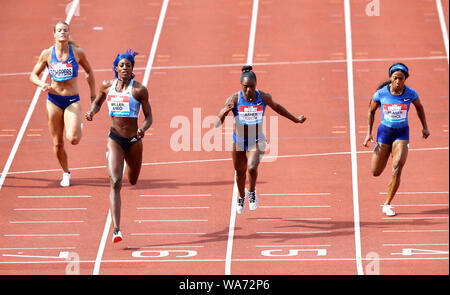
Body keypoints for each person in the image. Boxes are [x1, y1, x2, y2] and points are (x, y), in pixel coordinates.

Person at [216, 65, 306, 214]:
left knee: (251, 167)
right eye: (246, 87)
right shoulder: (234, 99)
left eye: (252, 86)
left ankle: (251, 191)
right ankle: (241, 195)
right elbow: (217, 124)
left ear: (256, 85)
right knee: (240, 172)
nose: (249, 90)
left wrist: (295, 119)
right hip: (239, 141)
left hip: (256, 140)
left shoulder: (263, 97)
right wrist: (224, 112)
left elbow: (278, 108)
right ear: (241, 85)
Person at [85, 49, 152, 243]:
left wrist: (143, 129)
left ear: (132, 69)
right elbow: (97, 103)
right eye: (121, 65)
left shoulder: (139, 90)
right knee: (115, 181)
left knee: (132, 180)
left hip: (133, 141)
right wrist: (91, 112)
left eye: (128, 65)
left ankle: (132, 166)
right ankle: (116, 230)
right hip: (114, 139)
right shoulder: (107, 86)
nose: (125, 68)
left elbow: (149, 117)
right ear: (116, 68)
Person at [30, 21, 96, 187]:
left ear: (68, 34)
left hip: (72, 100)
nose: (62, 33)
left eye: (65, 30)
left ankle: (78, 124)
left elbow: (89, 71)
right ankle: (66, 172)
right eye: (59, 30)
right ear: (54, 34)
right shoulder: (47, 54)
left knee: (73, 139)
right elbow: (33, 75)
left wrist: (93, 94)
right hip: (54, 101)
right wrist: (41, 84)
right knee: (58, 143)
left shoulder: (77, 52)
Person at [363, 63, 430, 216]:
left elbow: (420, 107)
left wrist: (425, 127)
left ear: (405, 79)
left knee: (397, 168)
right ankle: (381, 152)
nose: (399, 82)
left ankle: (387, 204)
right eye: (396, 78)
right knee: (375, 172)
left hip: (402, 134)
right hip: (384, 133)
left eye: (401, 78)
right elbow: (371, 111)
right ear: (391, 79)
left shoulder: (411, 93)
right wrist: (368, 133)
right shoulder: (381, 94)